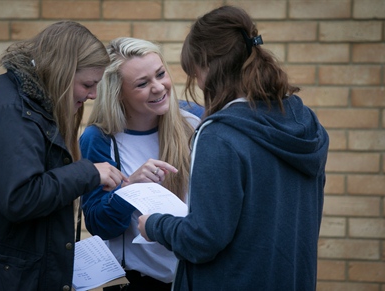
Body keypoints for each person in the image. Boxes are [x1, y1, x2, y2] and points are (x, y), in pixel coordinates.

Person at [138, 5, 329, 291]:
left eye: (195, 72)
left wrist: (154, 225)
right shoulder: (308, 124)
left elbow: (202, 239)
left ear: (208, 65)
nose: (198, 82)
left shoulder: (220, 135)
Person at [0, 21, 126, 290]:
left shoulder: (24, 101)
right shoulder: (12, 111)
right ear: (62, 72)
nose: (94, 95)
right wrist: (89, 172)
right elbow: (20, 196)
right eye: (87, 84)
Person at [79, 37, 200, 291]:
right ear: (118, 94)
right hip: (140, 282)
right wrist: (131, 188)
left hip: (198, 276)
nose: (158, 87)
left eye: (160, 74)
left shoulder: (196, 120)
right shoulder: (100, 138)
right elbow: (100, 225)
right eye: (142, 84)